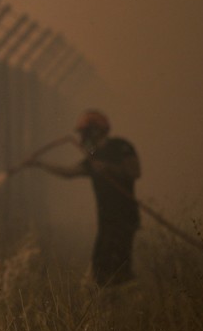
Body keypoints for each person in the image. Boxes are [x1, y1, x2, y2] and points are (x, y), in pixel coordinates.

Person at [23, 110, 142, 286]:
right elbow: (69, 173)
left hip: (124, 218)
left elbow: (135, 172)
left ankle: (128, 299)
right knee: (100, 267)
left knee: (118, 266)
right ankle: (112, 301)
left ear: (96, 131)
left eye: (85, 133)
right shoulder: (93, 159)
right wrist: (39, 164)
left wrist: (109, 169)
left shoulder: (121, 147)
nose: (82, 138)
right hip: (106, 220)